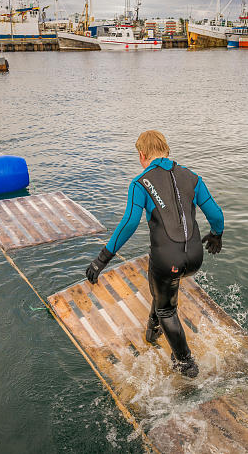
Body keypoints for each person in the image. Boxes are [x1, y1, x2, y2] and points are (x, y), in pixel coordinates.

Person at [85, 130, 224, 378]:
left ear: (142, 154)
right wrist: (216, 234)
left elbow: (128, 223)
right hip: (195, 256)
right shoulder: (192, 177)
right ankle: (154, 327)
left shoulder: (141, 183)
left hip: (168, 260)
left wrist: (101, 259)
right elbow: (215, 214)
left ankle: (186, 364)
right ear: (166, 150)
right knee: (161, 285)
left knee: (167, 307)